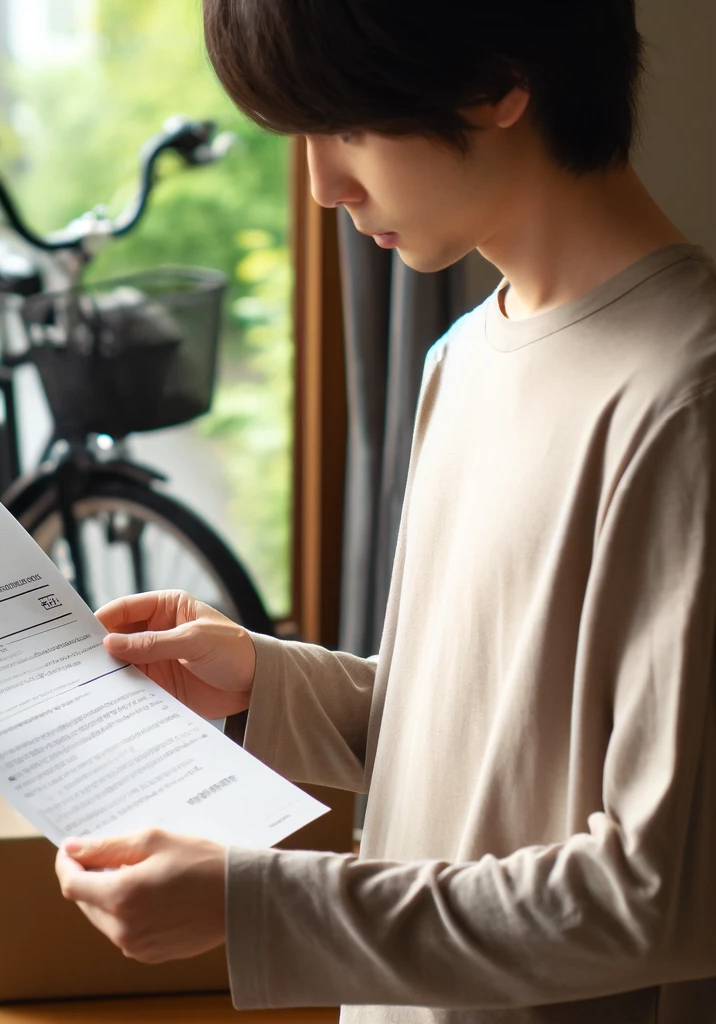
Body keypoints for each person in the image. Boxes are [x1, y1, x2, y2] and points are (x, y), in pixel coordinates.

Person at [54, 1, 716, 1020]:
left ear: (497, 82)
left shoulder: (683, 397)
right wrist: (260, 681)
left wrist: (252, 906)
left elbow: (657, 898)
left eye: (347, 126)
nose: (322, 185)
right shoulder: (462, 359)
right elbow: (482, 734)